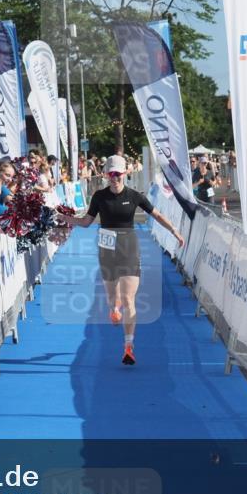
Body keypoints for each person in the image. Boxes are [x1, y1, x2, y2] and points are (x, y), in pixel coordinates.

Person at [63, 155, 184, 366]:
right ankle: (114, 310)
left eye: (118, 174)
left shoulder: (134, 196)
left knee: (129, 299)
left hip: (129, 248)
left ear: (125, 174)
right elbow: (85, 222)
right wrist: (65, 219)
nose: (114, 178)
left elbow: (156, 215)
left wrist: (174, 230)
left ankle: (128, 346)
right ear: (106, 175)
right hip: (107, 248)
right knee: (113, 299)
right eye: (110, 174)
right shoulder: (99, 196)